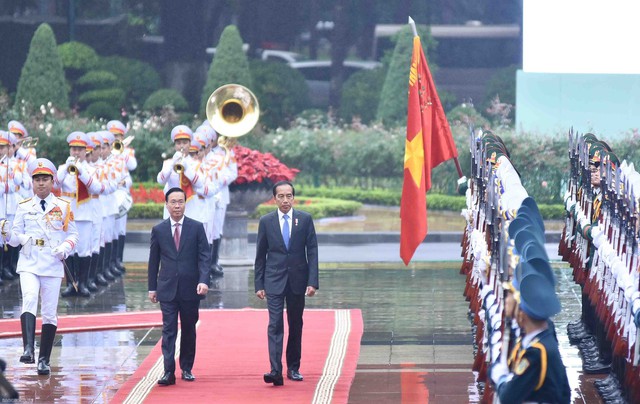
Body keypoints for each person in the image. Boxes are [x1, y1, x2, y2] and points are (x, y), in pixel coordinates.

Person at [2, 158, 79, 375]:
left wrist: (64, 247)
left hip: (52, 263)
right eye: (37, 179)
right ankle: (28, 348)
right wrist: (7, 233)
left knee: (49, 312)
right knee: (29, 298)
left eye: (45, 179)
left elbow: (73, 234)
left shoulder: (63, 206)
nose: (41, 183)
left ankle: (44, 359)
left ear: (53, 180)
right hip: (29, 261)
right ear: (32, 182)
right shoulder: (24, 206)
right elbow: (15, 239)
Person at [254, 180, 319, 386]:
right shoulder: (266, 221)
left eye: (288, 196)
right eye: (280, 196)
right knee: (275, 324)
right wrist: (259, 284)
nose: (285, 200)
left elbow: (313, 252)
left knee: (295, 324)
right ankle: (275, 370)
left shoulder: (305, 219)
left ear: (293, 197)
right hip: (273, 280)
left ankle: (293, 368)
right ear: (275, 198)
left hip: (298, 281)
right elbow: (260, 254)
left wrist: (313, 281)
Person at [147, 187, 210, 386]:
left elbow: (204, 257)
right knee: (169, 329)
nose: (176, 205)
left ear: (185, 203)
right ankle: (168, 371)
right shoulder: (159, 230)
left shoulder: (196, 227)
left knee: (189, 328)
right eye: (173, 202)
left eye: (180, 201)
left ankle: (187, 368)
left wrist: (203, 280)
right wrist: (152, 288)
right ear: (166, 204)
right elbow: (153, 261)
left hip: (191, 288)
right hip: (166, 288)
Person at [491, 266, 571, 403]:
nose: (507, 300)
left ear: (522, 313)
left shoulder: (536, 352)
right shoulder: (539, 340)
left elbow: (508, 398)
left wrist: (500, 378)